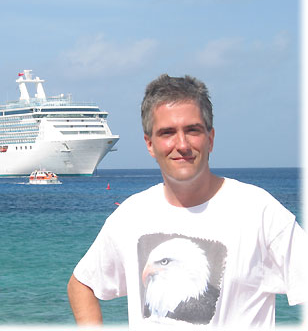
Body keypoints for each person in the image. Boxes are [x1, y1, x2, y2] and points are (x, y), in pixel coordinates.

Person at [67, 74, 307, 329]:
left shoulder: (259, 212)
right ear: (150, 144)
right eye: (167, 132)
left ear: (210, 138)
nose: (181, 144)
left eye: (192, 130)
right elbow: (82, 284)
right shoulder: (130, 216)